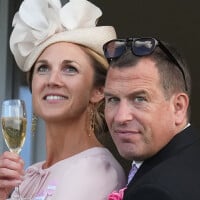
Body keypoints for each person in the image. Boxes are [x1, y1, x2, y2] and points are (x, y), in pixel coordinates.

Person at [0, 0, 127, 199]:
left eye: (70, 69)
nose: (52, 80)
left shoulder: (98, 172)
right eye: (43, 68)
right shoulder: (29, 175)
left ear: (99, 90)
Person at [103, 37, 200, 200]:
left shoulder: (156, 191)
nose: (121, 117)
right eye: (113, 99)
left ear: (178, 107)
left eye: (139, 99)